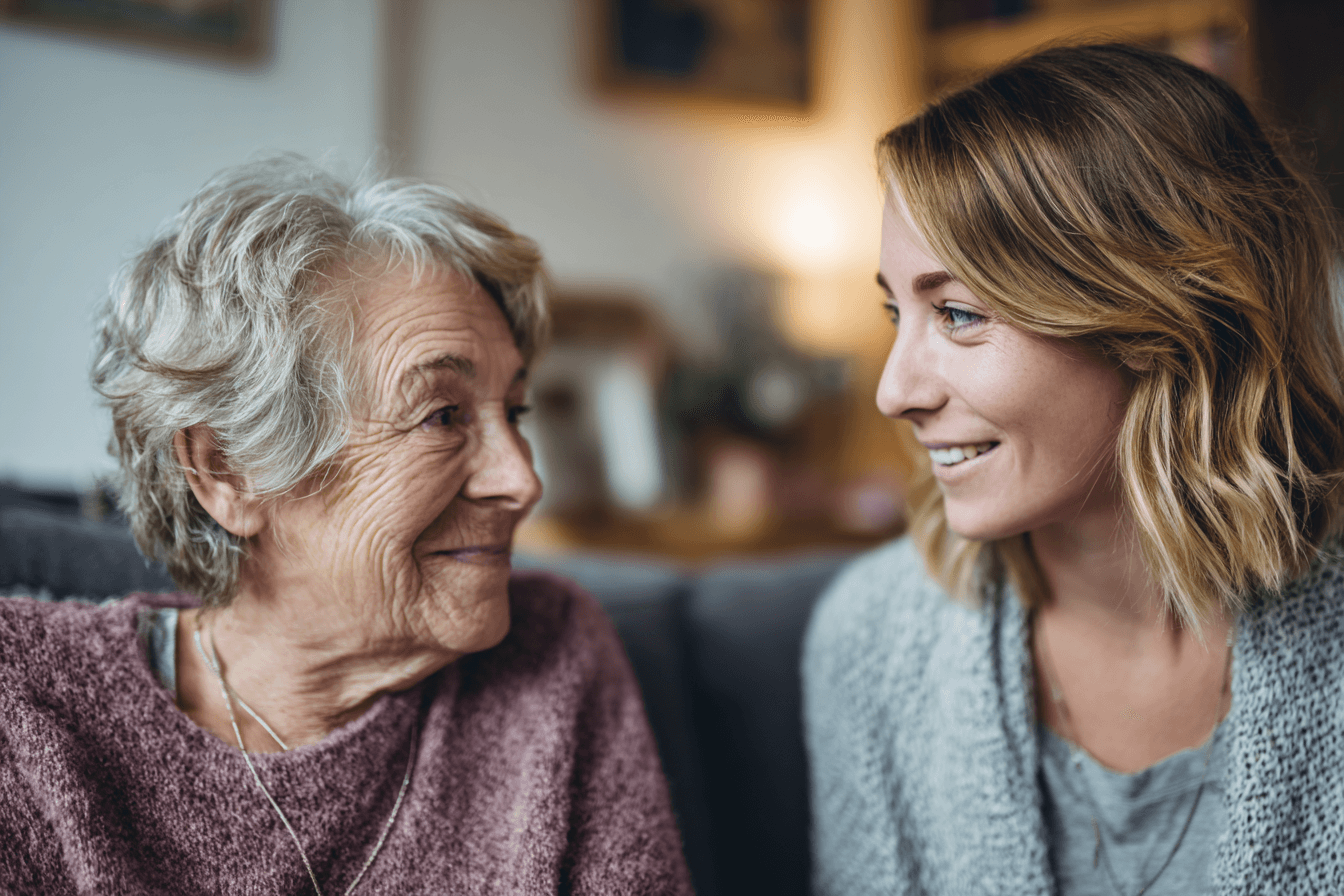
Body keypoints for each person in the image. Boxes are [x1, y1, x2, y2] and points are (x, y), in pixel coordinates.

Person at [0, 156, 693, 895]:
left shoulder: (550, 654)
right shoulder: (26, 703)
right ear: (227, 473)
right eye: (443, 415)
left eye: (513, 412)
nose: (523, 481)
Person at [803, 43, 1344, 895]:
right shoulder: (869, 640)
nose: (892, 391)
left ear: (1159, 321)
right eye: (894, 310)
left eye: (958, 313)